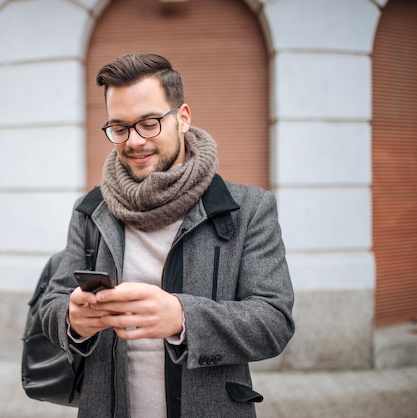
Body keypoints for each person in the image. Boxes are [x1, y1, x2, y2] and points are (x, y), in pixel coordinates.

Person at [40, 53, 295, 418]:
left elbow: (274, 322)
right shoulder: (90, 208)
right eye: (120, 127)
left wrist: (182, 317)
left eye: (148, 123)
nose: (134, 141)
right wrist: (71, 319)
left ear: (183, 119)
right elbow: (51, 305)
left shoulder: (248, 208)